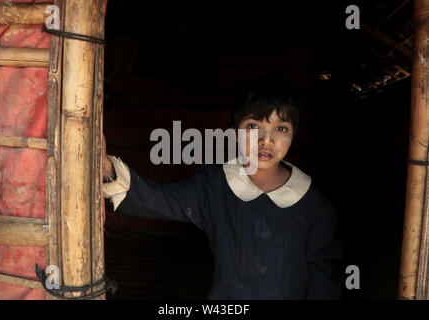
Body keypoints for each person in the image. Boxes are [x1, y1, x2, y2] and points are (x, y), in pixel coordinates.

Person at [101, 78, 343, 299]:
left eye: (281, 128)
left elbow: (325, 278)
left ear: (293, 135)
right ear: (236, 132)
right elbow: (162, 200)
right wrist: (108, 168)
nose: (266, 140)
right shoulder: (216, 184)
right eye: (253, 126)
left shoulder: (313, 204)